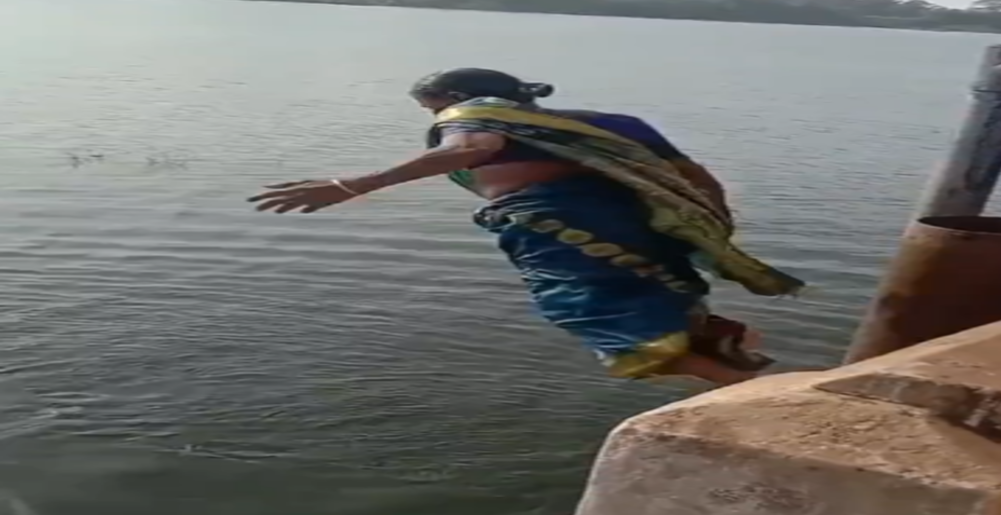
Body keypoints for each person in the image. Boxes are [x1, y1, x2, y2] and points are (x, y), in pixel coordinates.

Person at [249, 68, 804, 387]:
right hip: (635, 217)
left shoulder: (472, 116)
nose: (434, 120)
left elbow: (472, 149)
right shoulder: (612, 125)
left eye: (432, 109)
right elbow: (697, 178)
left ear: (453, 99)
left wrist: (353, 186)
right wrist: (713, 232)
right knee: (651, 286)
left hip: (555, 220)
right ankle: (725, 344)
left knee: (589, 308)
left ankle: (741, 386)